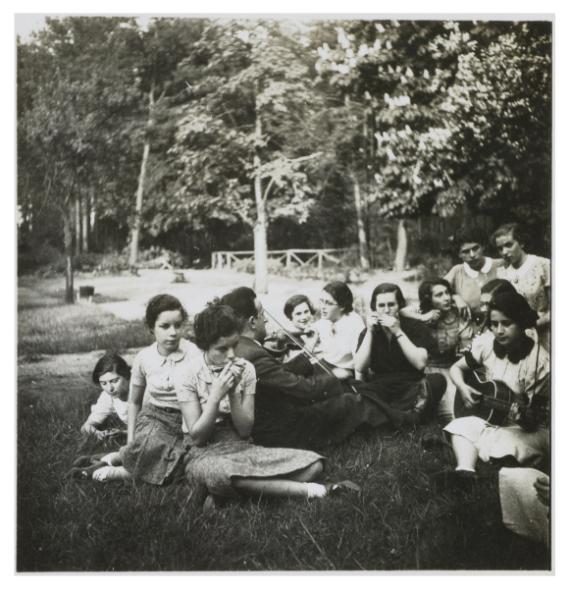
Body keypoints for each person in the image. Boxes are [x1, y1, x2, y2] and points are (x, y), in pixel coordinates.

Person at [179, 302, 358, 506]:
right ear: (205, 346)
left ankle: (224, 492)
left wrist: (232, 394)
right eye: (222, 349)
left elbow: (245, 431)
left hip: (239, 446)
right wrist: (215, 398)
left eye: (234, 345)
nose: (231, 355)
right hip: (203, 452)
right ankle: (313, 491)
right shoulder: (188, 373)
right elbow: (198, 437)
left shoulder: (245, 369)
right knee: (219, 470)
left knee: (314, 464)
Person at [220, 287, 405, 450]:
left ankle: (388, 404)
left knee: (345, 389)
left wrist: (307, 360)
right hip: (282, 430)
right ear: (252, 321)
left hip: (272, 416)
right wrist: (334, 377)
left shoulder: (238, 346)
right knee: (351, 402)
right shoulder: (254, 353)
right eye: (262, 314)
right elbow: (304, 389)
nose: (266, 320)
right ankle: (403, 418)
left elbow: (278, 372)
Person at [88, 294, 201, 483]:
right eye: (165, 326)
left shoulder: (194, 354)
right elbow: (134, 402)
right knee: (150, 443)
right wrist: (131, 439)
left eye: (178, 325)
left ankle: (125, 465)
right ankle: (124, 464)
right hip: (155, 417)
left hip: (187, 417)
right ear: (151, 328)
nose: (173, 332)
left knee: (186, 457)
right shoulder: (145, 358)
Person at [440, 291, 550, 485]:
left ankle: (480, 453)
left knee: (512, 442)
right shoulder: (486, 343)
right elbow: (456, 368)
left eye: (506, 323)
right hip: (490, 418)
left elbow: (537, 419)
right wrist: (463, 388)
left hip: (523, 428)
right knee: (461, 424)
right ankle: (465, 471)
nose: (499, 330)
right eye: (494, 323)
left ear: (522, 322)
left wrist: (523, 417)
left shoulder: (540, 362)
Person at [354, 283, 446, 423]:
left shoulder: (414, 326)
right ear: (374, 308)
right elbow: (360, 367)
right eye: (381, 305)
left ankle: (385, 415)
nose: (386, 310)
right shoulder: (370, 331)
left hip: (411, 387)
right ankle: (405, 416)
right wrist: (370, 332)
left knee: (437, 381)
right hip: (381, 388)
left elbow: (420, 364)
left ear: (399, 305)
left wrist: (398, 331)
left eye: (391, 304)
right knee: (352, 386)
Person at [415, 279, 475, 422]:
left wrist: (456, 297)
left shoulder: (458, 314)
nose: (446, 298)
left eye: (448, 293)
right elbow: (401, 312)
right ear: (428, 299)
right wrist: (422, 317)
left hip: (452, 367)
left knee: (463, 407)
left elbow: (467, 344)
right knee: (449, 411)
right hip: (426, 369)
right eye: (439, 295)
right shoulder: (419, 313)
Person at [493, 223, 550, 349]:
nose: (504, 252)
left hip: (545, 336)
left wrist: (535, 324)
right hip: (516, 342)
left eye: (509, 245)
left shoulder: (543, 265)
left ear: (521, 243)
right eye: (500, 248)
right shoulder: (503, 274)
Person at [444, 226, 503, 320]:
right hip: (472, 330)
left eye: (475, 248)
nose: (472, 255)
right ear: (459, 254)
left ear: (483, 246)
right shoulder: (457, 271)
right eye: (465, 251)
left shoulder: (501, 265)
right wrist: (455, 297)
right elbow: (436, 288)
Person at [313, 281, 365, 380]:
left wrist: (359, 388)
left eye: (328, 303)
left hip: (345, 373)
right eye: (321, 301)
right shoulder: (327, 317)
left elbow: (359, 364)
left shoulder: (355, 323)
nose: (322, 307)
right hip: (324, 366)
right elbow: (313, 328)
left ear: (342, 306)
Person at [80, 352, 130, 441]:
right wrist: (98, 433)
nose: (110, 388)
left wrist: (124, 433)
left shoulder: (144, 389)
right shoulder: (108, 396)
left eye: (114, 381)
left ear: (126, 375)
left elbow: (158, 428)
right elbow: (86, 426)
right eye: (104, 383)